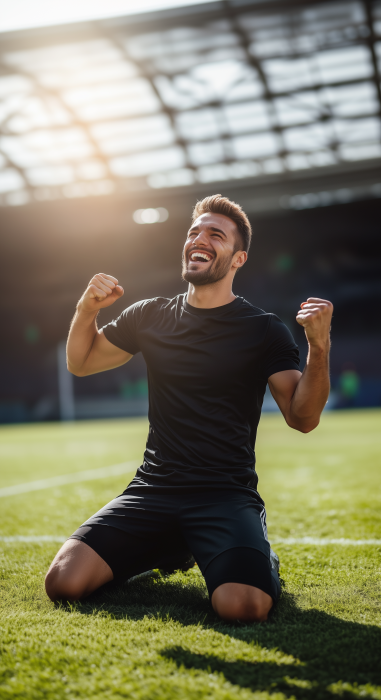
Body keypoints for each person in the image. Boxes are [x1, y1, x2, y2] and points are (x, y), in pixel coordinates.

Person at [45, 194, 333, 622]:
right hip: (153, 490)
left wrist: (318, 345)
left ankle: (260, 556)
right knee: (64, 583)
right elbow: (80, 362)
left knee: (243, 608)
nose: (200, 238)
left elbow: (302, 418)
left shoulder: (264, 329)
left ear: (238, 259)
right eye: (194, 231)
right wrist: (86, 309)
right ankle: (169, 546)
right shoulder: (149, 316)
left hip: (226, 496)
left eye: (216, 234)